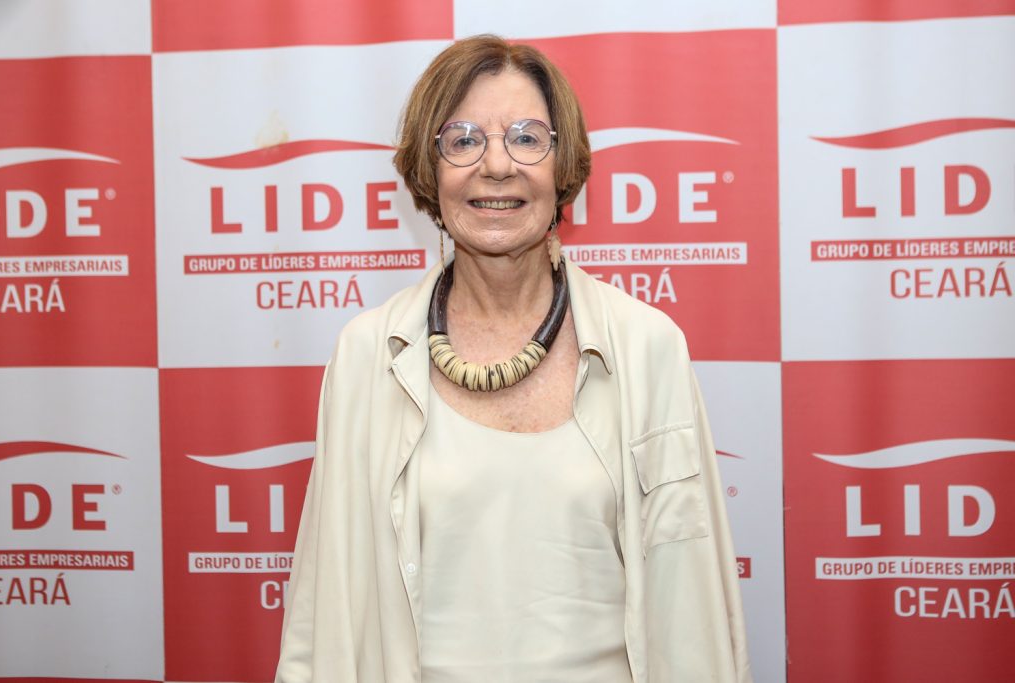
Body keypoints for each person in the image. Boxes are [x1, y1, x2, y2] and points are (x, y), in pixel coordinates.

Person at [275, 35, 751, 683]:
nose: (496, 165)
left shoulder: (648, 347)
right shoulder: (366, 355)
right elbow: (319, 604)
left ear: (563, 166)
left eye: (527, 138)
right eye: (463, 140)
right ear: (428, 170)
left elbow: (693, 607)